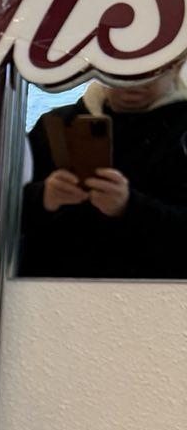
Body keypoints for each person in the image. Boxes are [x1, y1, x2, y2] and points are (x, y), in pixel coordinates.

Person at [19, 65, 187, 278]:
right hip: (50, 283)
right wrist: (44, 197)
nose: (134, 80)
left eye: (150, 69)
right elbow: (5, 213)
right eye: (122, 68)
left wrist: (130, 207)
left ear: (176, 66)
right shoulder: (55, 123)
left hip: (154, 287)